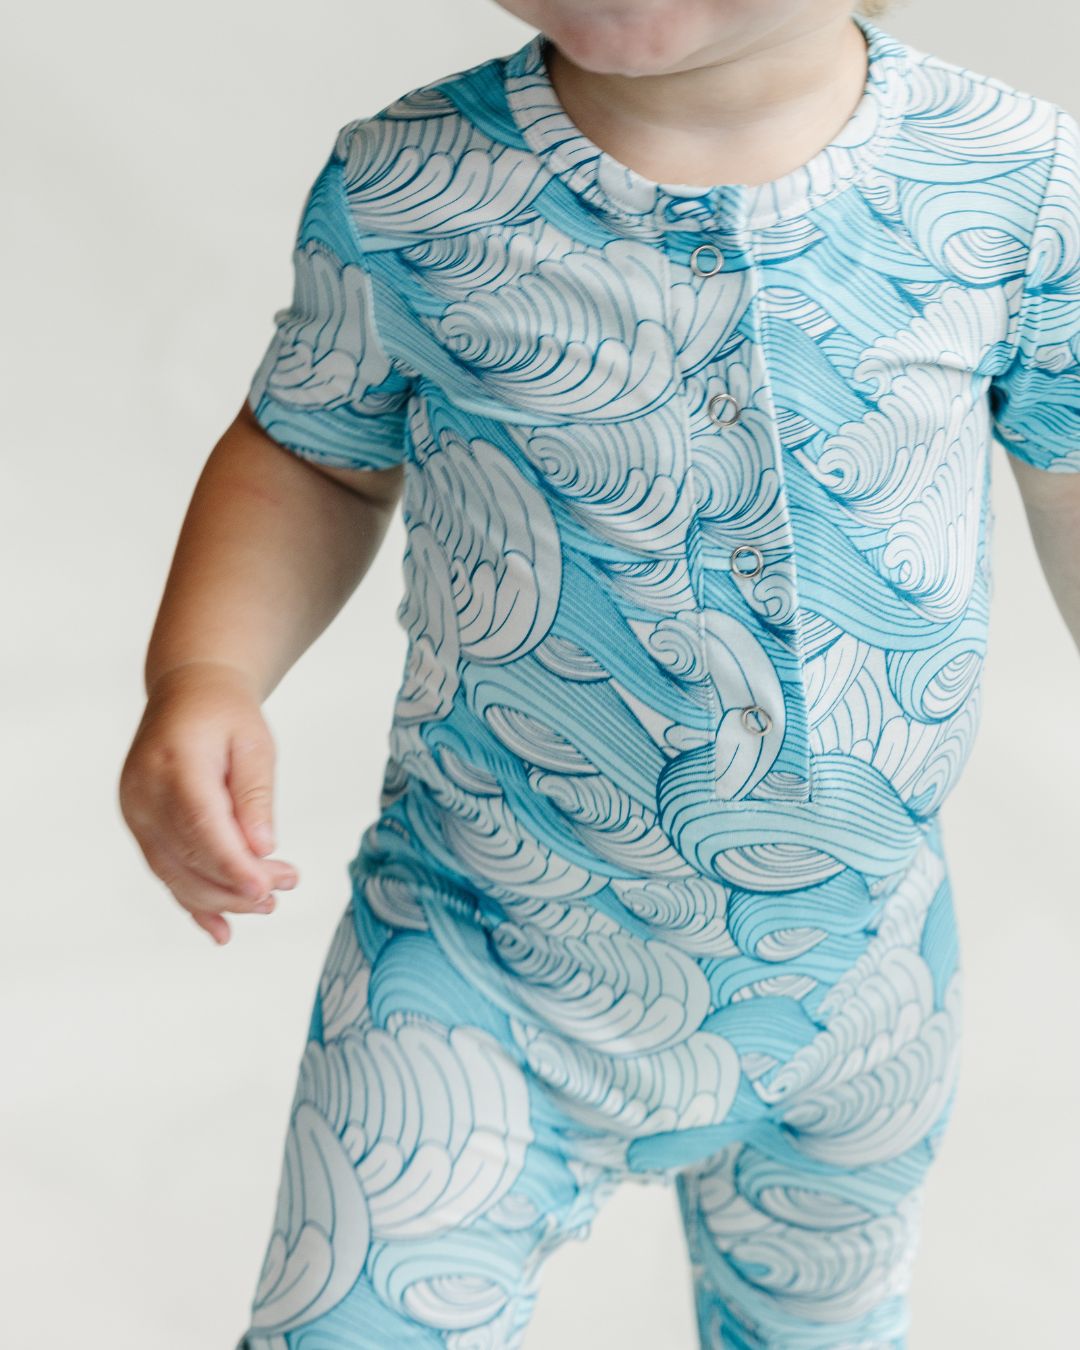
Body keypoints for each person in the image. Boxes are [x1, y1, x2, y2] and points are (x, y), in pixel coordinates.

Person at [118, 0, 1080, 1345]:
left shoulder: (1013, 180)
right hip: (480, 965)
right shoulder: (411, 186)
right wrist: (207, 667)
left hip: (862, 984)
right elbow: (313, 455)